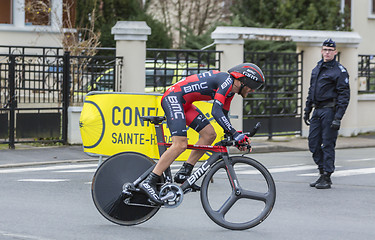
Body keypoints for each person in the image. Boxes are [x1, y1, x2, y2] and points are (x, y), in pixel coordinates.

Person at [140, 63, 265, 204]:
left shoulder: (230, 92)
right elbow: (215, 111)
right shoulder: (226, 81)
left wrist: (234, 136)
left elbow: (223, 115)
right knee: (180, 144)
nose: (253, 91)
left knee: (209, 134)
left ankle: (184, 173)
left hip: (185, 104)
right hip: (173, 98)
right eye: (253, 86)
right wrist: (235, 134)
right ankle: (150, 181)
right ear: (244, 81)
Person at [304, 38, 350, 189]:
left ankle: (327, 176)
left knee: (327, 144)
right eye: (325, 49)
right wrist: (307, 109)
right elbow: (312, 90)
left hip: (330, 111)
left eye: (330, 50)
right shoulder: (317, 68)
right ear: (321, 51)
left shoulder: (339, 71)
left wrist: (338, 117)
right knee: (313, 143)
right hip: (317, 110)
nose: (327, 52)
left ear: (335, 52)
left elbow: (344, 95)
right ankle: (322, 171)